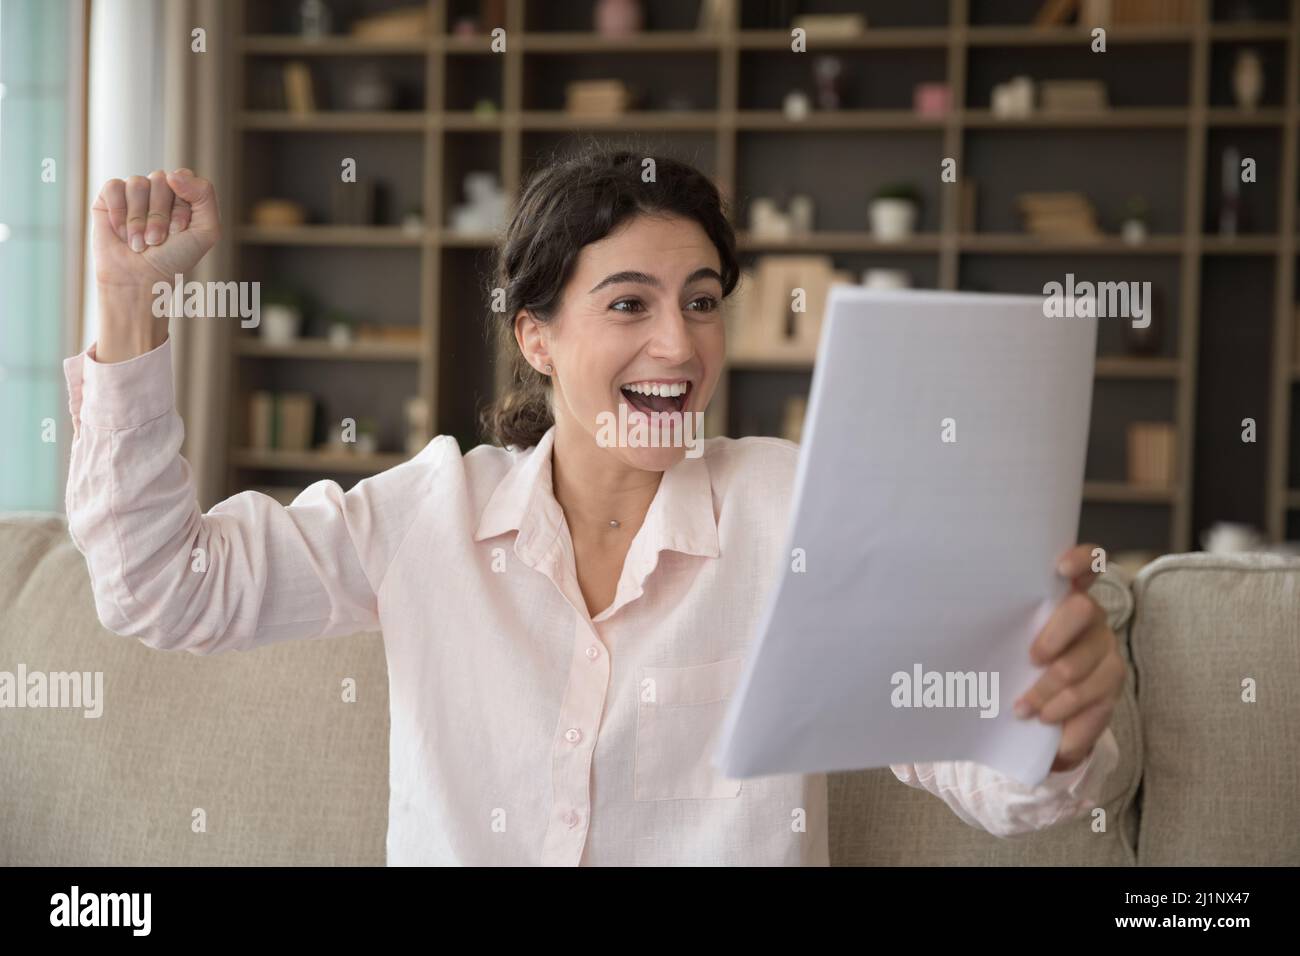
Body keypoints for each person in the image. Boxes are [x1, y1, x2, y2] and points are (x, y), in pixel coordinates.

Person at [66, 146, 1123, 865]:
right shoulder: (426, 516)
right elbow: (163, 588)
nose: (679, 344)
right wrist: (128, 298)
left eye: (701, 302)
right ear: (537, 337)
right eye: (629, 303)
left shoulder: (790, 509)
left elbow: (990, 778)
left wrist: (1052, 729)